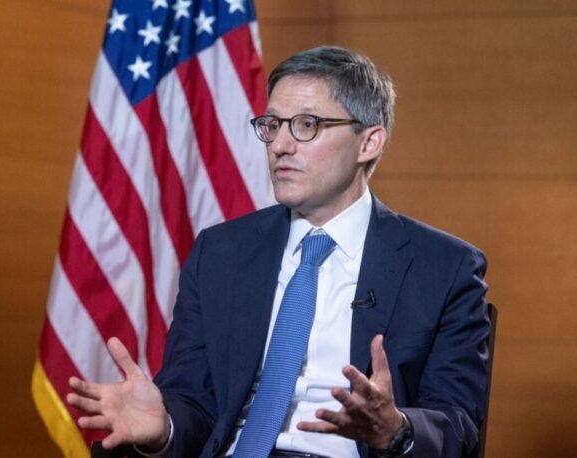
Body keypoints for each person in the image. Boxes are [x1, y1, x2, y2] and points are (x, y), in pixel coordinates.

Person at [67, 45, 491, 458]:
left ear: (369, 142)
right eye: (272, 125)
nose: (279, 146)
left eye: (307, 124)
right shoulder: (220, 253)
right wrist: (164, 430)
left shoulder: (444, 268)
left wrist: (396, 431)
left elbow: (458, 428)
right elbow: (194, 401)